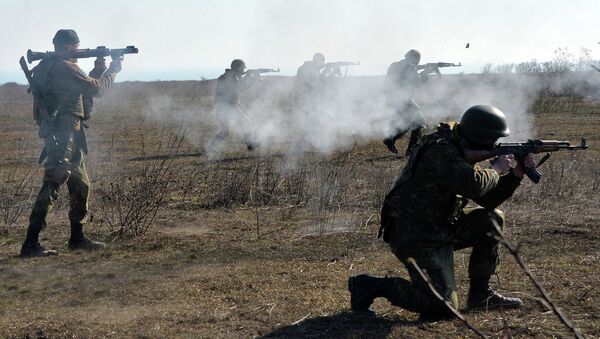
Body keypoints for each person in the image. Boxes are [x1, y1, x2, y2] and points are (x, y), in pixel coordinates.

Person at [349, 105, 535, 321]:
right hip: (413, 234)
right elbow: (474, 185)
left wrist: (516, 175)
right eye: (491, 142)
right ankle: (369, 286)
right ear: (479, 138)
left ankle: (480, 295)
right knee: (442, 308)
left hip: (441, 226)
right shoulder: (441, 150)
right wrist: (496, 170)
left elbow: (488, 199)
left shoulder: (460, 148)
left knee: (491, 219)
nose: (494, 146)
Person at [20, 29, 122, 257]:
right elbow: (95, 89)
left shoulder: (49, 66)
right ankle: (30, 243)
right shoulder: (64, 66)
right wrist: (113, 70)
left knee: (80, 184)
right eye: (76, 47)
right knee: (54, 181)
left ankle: (77, 238)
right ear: (68, 47)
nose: (78, 51)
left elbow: (80, 88)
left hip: (67, 132)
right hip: (63, 132)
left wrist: (98, 69)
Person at [383, 49, 435, 156]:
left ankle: (390, 138)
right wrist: (425, 75)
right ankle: (411, 150)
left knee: (409, 121)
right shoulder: (410, 68)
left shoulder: (394, 65)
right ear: (415, 59)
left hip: (393, 98)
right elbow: (419, 85)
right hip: (403, 98)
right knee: (419, 123)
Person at [207, 59, 260, 153]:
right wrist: (252, 79)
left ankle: (211, 148)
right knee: (245, 122)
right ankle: (250, 145)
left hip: (223, 107)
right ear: (238, 68)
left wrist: (248, 77)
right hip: (227, 106)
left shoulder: (229, 76)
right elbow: (241, 88)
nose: (243, 70)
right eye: (242, 68)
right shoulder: (231, 77)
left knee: (225, 131)